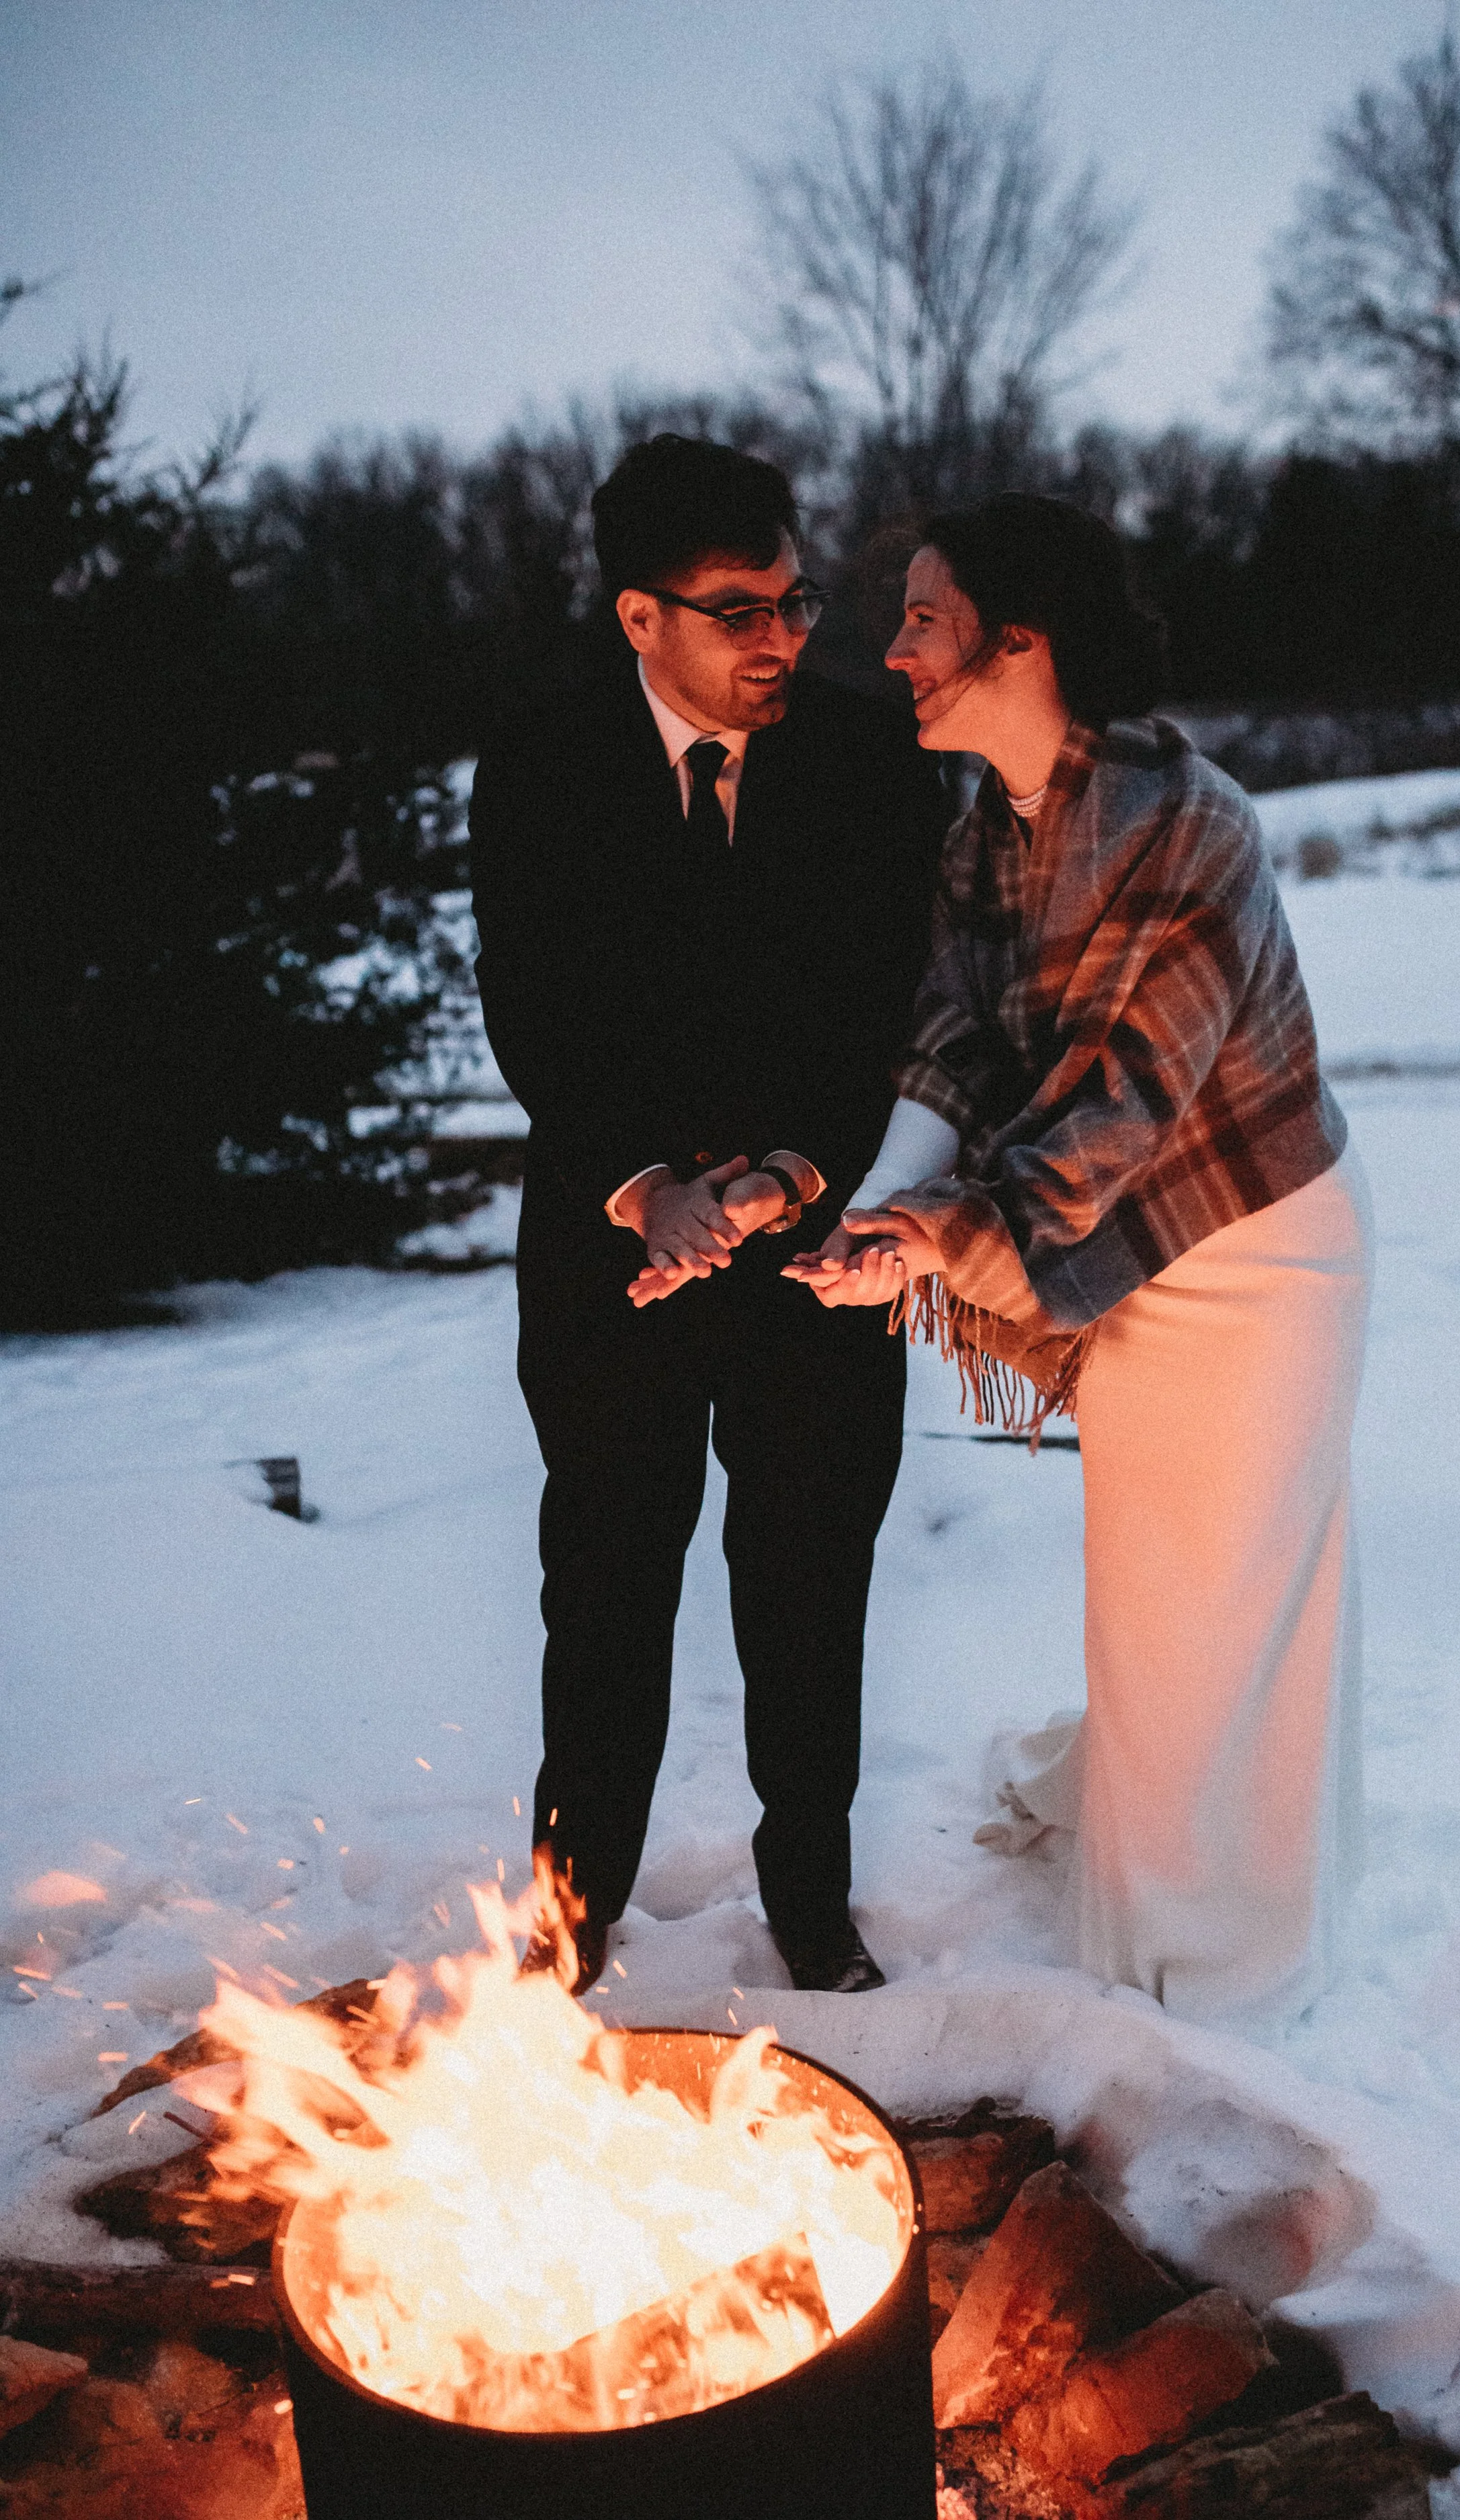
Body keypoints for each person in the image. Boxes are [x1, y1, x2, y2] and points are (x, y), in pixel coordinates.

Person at [786, 493, 1371, 2030]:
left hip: (1253, 1247)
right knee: (1160, 1599)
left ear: (1019, 637)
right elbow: (958, 1043)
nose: (892, 646)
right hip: (1111, 1248)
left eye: (921, 615)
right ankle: (1157, 1835)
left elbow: (1115, 1102)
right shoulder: (990, 821)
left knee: (1229, 1599)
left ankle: (1210, 1986)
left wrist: (939, 1243)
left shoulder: (1192, 828)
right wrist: (881, 1211)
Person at [470, 435, 944, 1997]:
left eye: (795, 601)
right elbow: (529, 1007)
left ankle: (809, 1898)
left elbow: (887, 1003)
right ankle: (570, 1902)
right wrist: (646, 1189)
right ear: (636, 618)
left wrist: (784, 1177)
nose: (782, 640)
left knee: (811, 1576)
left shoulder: (874, 760)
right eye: (736, 609)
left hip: (814, 1246)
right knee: (605, 1576)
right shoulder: (535, 760)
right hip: (612, 1259)